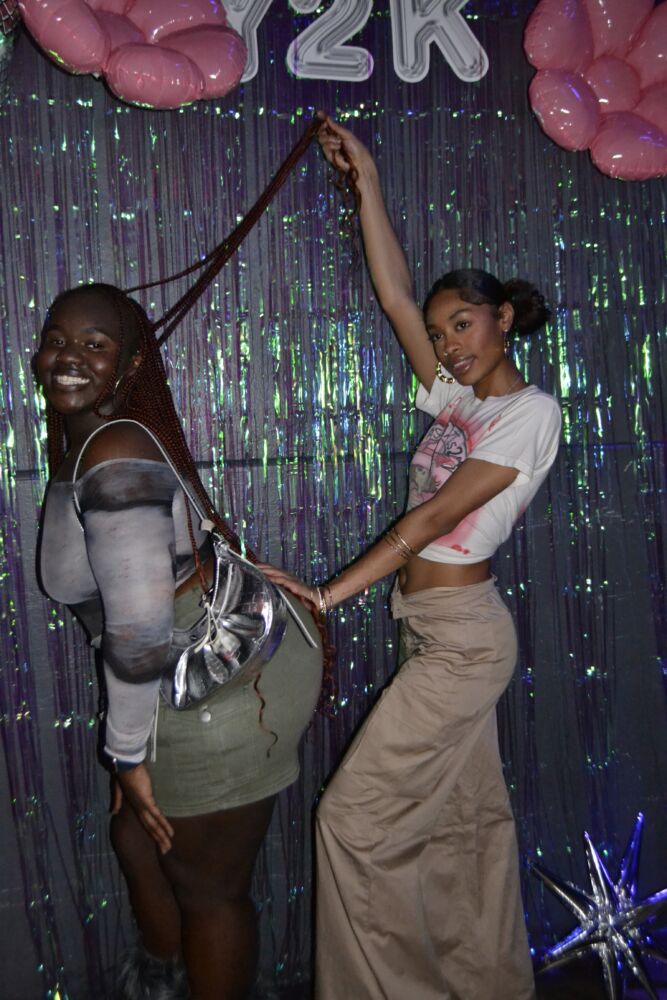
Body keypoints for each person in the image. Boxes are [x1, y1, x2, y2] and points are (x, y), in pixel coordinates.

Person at [261, 117, 561, 1000]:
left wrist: (327, 594)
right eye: (440, 333)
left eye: (462, 324)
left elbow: (431, 518)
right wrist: (368, 178)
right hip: (428, 628)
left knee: (350, 820)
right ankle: (490, 984)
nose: (448, 344)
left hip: (464, 641)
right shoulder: (454, 397)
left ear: (503, 318)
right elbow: (393, 293)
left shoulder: (529, 414)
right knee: (466, 827)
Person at [35, 282, 323, 1000]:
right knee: (136, 840)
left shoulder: (114, 451)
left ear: (130, 364)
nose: (68, 357)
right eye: (57, 340)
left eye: (95, 344)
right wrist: (130, 754)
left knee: (208, 889)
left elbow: (137, 627)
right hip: (183, 671)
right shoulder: (93, 440)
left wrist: (127, 754)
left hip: (225, 686)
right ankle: (162, 979)